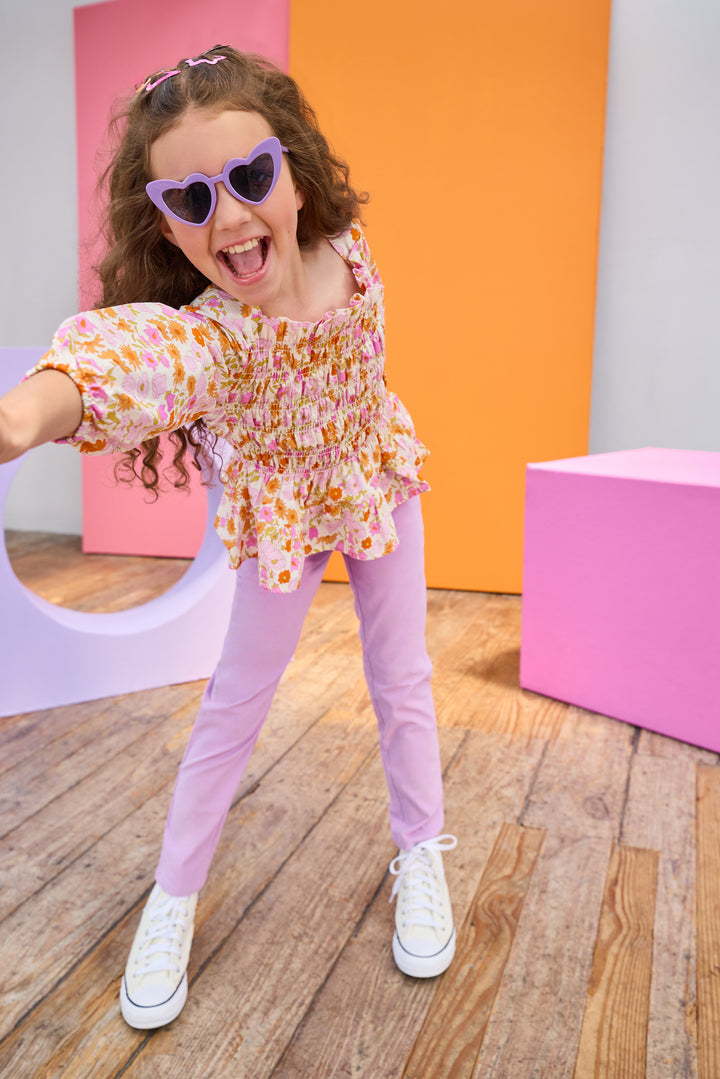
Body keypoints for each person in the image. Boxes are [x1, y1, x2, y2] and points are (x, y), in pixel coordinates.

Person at [0, 45, 457, 1029]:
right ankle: (172, 896)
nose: (233, 218)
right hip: (282, 517)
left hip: (376, 478)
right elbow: (133, 357)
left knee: (403, 678)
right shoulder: (208, 334)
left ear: (292, 168)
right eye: (191, 199)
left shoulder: (349, 249)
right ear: (164, 222)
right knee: (233, 708)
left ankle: (421, 850)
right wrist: (28, 412)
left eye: (250, 178)